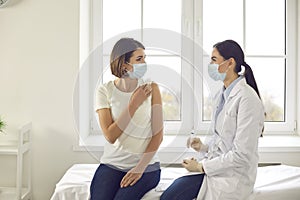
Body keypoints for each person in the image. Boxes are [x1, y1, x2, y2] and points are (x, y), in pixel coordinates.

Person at [160, 39, 265, 200]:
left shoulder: (247, 98)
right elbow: (222, 141)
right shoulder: (223, 94)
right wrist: (203, 147)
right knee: (173, 191)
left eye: (214, 60)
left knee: (170, 196)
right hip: (218, 170)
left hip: (232, 178)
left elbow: (242, 155)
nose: (210, 64)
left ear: (230, 63)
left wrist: (202, 166)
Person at [90, 38, 163, 200]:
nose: (144, 62)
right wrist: (133, 104)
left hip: (147, 167)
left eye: (144, 58)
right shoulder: (105, 91)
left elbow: (158, 135)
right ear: (124, 64)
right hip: (111, 165)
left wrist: (140, 168)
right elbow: (110, 135)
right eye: (139, 59)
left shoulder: (151, 88)